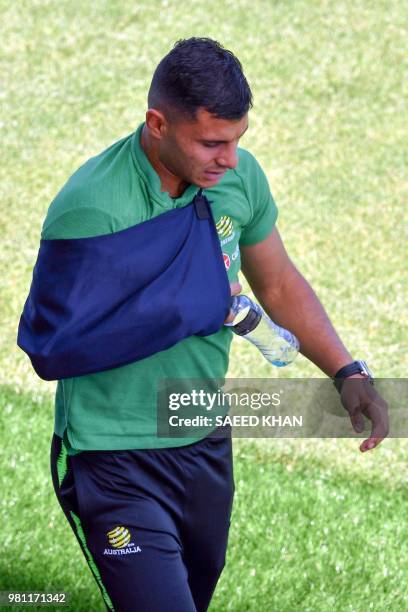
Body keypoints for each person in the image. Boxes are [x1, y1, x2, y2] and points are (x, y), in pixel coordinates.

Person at [20, 37, 388, 611]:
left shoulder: (237, 180)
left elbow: (278, 283)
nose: (230, 159)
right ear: (158, 125)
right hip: (111, 456)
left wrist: (345, 371)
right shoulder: (92, 206)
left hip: (202, 438)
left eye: (239, 140)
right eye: (213, 143)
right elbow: (52, 346)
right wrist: (190, 302)